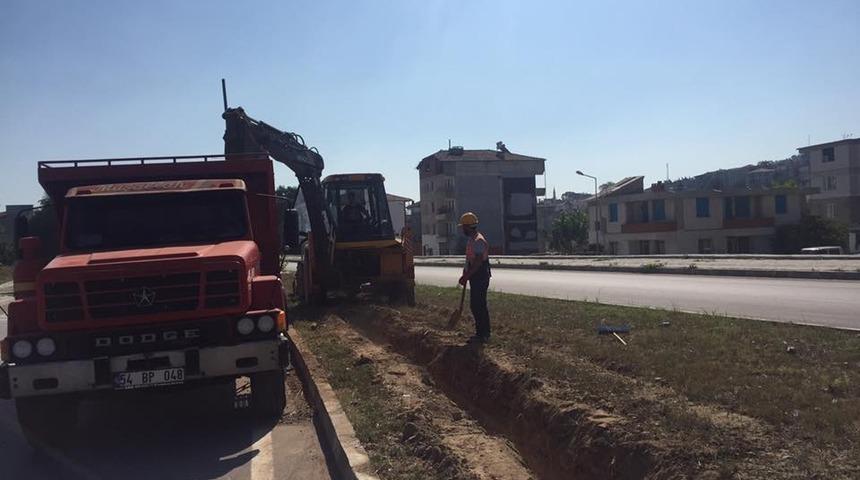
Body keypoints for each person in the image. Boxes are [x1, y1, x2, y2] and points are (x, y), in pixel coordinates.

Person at [457, 212, 491, 343]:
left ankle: (484, 334)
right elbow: (469, 260)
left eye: (463, 227)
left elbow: (477, 263)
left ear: (468, 226)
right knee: (475, 305)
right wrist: (465, 273)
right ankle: (480, 333)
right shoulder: (472, 239)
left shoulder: (478, 240)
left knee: (479, 305)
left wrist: (466, 276)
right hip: (475, 275)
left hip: (480, 275)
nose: (462, 229)